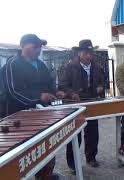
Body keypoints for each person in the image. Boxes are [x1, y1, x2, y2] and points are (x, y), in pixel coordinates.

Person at [1, 34, 65, 180]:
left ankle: (45, 174)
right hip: (17, 116)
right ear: (23, 46)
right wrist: (38, 97)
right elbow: (13, 91)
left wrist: (56, 92)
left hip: (42, 113)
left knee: (46, 143)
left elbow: (49, 84)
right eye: (35, 47)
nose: (38, 50)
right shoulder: (12, 65)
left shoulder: (41, 64)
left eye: (39, 47)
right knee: (21, 152)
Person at [59, 39, 105, 172]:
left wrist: (101, 87)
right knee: (75, 135)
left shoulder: (97, 67)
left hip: (92, 103)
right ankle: (72, 164)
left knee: (93, 132)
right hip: (75, 105)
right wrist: (72, 94)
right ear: (79, 53)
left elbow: (103, 81)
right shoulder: (69, 67)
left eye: (90, 52)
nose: (88, 55)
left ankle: (91, 158)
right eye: (85, 52)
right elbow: (62, 86)